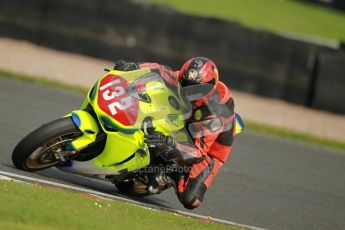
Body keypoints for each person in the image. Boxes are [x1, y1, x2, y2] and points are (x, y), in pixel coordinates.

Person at [114, 57, 239, 209]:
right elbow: (158, 69)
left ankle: (172, 174)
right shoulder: (183, 78)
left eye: (195, 89)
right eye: (185, 84)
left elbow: (197, 153)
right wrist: (132, 66)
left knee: (190, 199)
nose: (188, 91)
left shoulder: (215, 113)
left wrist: (169, 143)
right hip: (186, 118)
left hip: (207, 148)